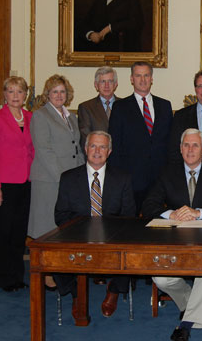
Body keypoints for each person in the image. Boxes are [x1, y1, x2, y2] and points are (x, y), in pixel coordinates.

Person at [142, 129, 202, 341]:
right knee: (160, 278)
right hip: (175, 240)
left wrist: (199, 213)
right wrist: (171, 214)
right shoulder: (167, 173)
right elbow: (148, 205)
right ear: (180, 149)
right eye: (186, 145)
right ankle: (192, 303)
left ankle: (187, 323)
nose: (190, 150)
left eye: (195, 145)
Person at [54, 131, 136, 319]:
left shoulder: (122, 178)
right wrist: (79, 233)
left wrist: (111, 235)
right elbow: (60, 215)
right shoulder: (68, 178)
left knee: (130, 251)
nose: (97, 151)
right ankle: (77, 294)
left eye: (102, 147)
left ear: (109, 151)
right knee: (55, 253)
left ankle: (114, 290)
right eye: (93, 146)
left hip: (112, 236)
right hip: (77, 235)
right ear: (85, 149)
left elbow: (129, 216)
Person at [29, 74, 84, 289]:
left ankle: (61, 271)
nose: (59, 95)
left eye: (62, 91)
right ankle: (46, 273)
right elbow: (44, 150)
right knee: (46, 228)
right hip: (49, 180)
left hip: (69, 178)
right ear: (47, 95)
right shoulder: (40, 116)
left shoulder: (71, 117)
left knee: (64, 228)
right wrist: (63, 179)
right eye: (55, 92)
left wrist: (80, 175)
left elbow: (76, 148)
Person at [0, 76, 34, 292]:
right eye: (11, 91)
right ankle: (5, 278)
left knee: (20, 233)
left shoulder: (31, 117)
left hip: (27, 182)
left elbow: (32, 150)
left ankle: (17, 276)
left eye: (20, 91)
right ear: (4, 94)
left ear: (25, 95)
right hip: (5, 184)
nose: (15, 96)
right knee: (5, 231)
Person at [108, 61, 172, 214]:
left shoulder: (165, 106)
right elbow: (114, 146)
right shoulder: (120, 107)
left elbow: (171, 144)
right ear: (131, 79)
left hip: (160, 179)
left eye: (146, 75)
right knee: (132, 228)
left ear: (151, 78)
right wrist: (118, 179)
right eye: (138, 76)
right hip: (131, 180)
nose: (142, 80)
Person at [77, 0, 143, 52]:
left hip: (121, 48)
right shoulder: (98, 1)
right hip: (97, 49)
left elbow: (136, 23)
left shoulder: (133, 1)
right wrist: (90, 34)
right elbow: (84, 23)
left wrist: (110, 28)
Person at [77, 66, 120, 152]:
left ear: (115, 85)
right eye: (103, 81)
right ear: (96, 85)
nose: (107, 85)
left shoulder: (125, 105)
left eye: (110, 81)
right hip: (97, 158)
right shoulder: (86, 107)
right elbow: (86, 140)